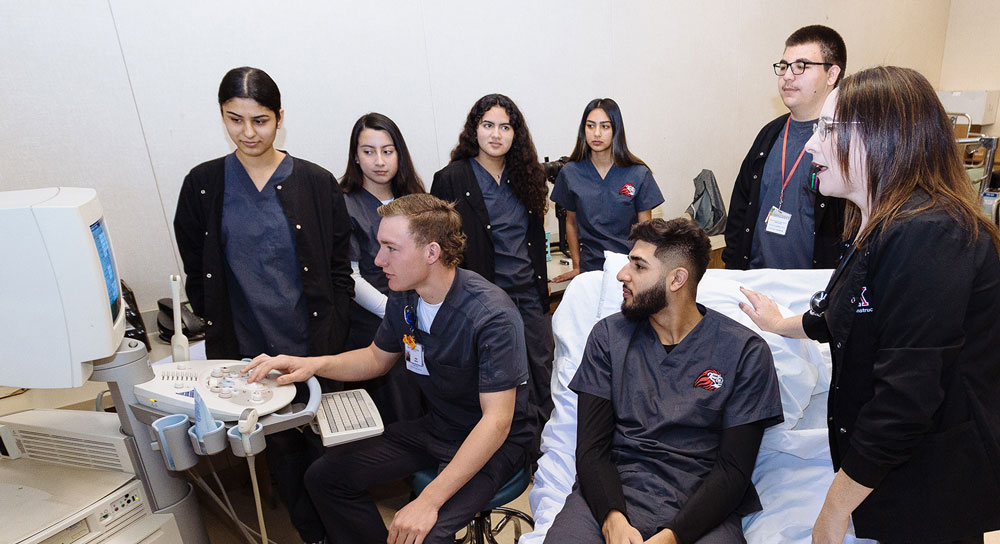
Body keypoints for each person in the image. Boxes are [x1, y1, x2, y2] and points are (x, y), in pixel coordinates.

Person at [739, 67, 1000, 543]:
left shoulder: (929, 234)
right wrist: (781, 322)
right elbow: (842, 315)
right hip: (891, 475)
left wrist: (833, 511)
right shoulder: (881, 225)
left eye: (827, 130)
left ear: (885, 136)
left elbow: (906, 398)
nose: (812, 145)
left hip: (932, 484)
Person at [244, 194, 535, 544]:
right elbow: (375, 359)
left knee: (421, 532)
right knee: (325, 477)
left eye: (390, 248)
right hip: (441, 427)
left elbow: (496, 421)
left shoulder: (491, 316)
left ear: (431, 252)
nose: (378, 259)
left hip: (493, 442)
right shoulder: (406, 295)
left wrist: (427, 502)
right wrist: (310, 365)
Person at [173, 66, 353, 544]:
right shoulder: (204, 184)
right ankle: (312, 535)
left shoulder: (315, 182)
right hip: (249, 352)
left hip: (313, 344)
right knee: (285, 459)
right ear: (222, 117)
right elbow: (199, 269)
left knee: (329, 457)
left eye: (261, 121)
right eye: (235, 120)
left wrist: (331, 346)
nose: (248, 133)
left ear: (280, 119)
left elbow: (339, 271)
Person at [545, 218, 783, 544]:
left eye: (638, 266)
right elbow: (591, 449)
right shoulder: (608, 338)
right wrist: (612, 519)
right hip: (614, 489)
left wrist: (673, 537)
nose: (622, 274)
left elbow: (732, 471)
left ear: (676, 279)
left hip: (702, 503)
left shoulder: (744, 352)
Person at [430, 93, 554, 432]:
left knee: (541, 371)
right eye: (488, 125)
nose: (496, 134)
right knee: (500, 379)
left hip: (528, 293)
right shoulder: (452, 178)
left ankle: (545, 451)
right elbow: (441, 247)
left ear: (516, 134)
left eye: (505, 126)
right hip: (484, 301)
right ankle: (513, 451)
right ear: (475, 130)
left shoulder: (527, 176)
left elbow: (533, 237)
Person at [723, 25, 848, 270]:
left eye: (801, 66)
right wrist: (734, 271)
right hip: (755, 287)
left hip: (812, 296)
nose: (787, 76)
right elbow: (741, 207)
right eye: (783, 66)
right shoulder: (769, 134)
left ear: (832, 75)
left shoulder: (848, 143)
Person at [340, 112, 425, 424]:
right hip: (373, 324)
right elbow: (351, 276)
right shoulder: (345, 203)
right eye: (368, 151)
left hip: (419, 317)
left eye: (387, 151)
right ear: (356, 156)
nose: (379, 160)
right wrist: (395, 314)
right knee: (395, 410)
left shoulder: (414, 199)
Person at [550, 98, 664, 280]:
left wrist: (641, 270)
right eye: (590, 126)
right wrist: (577, 266)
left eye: (605, 126)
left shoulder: (638, 173)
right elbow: (570, 223)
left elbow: (646, 233)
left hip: (629, 269)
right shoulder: (570, 172)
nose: (596, 133)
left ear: (616, 130)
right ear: (583, 130)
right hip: (591, 269)